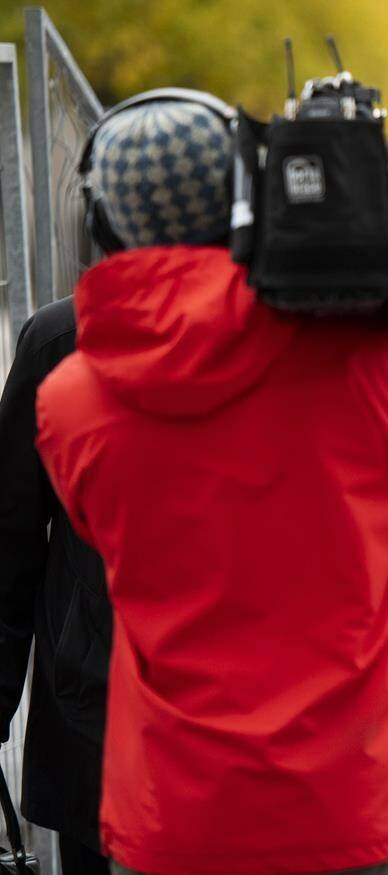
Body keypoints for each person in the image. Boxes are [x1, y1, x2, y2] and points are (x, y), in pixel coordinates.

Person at [33, 91, 388, 875]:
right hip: (354, 801)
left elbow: (100, 536)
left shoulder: (70, 398)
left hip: (175, 811)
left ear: (102, 223)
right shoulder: (369, 356)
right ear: (249, 199)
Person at [0, 297, 110, 875]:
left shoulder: (62, 336)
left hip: (96, 713)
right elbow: (11, 529)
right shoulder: (64, 340)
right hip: (99, 719)